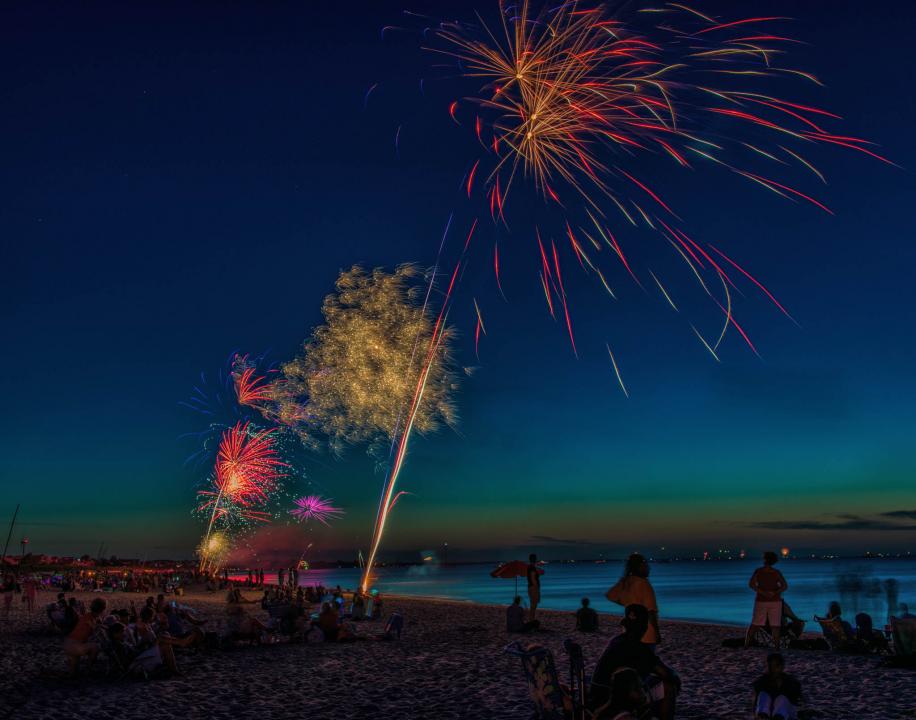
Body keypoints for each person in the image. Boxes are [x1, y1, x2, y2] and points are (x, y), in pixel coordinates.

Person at [589, 604, 679, 720]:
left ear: (625, 626)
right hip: (612, 700)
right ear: (645, 627)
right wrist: (675, 678)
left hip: (597, 695)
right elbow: (666, 674)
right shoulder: (639, 648)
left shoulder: (616, 641)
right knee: (668, 686)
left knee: (650, 682)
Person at [606, 553, 660, 646]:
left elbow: (611, 595)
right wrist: (656, 632)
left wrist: (627, 603)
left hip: (630, 631)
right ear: (639, 567)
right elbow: (651, 611)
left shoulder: (626, 581)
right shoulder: (644, 584)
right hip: (645, 632)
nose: (649, 568)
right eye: (646, 565)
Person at [745, 552, 788, 648]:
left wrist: (762, 592)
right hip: (775, 601)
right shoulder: (776, 572)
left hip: (762, 601)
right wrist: (774, 593)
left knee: (755, 624)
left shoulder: (759, 571)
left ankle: (746, 644)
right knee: (775, 625)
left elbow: (751, 585)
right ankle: (777, 647)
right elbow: (784, 586)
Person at [64, 597, 107, 676]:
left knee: (74, 673)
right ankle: (89, 667)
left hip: (69, 643)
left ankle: (72, 672)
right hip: (74, 645)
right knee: (95, 647)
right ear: (101, 609)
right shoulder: (90, 618)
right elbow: (96, 629)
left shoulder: (88, 616)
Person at [753, 652, 802, 720]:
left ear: (781, 666)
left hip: (785, 712)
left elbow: (797, 701)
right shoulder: (763, 681)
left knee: (781, 698)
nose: (772, 669)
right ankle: (762, 716)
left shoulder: (790, 681)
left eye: (775, 666)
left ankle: (776, 717)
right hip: (770, 711)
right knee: (763, 695)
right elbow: (756, 700)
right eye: (770, 666)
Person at [526, 554, 543, 623]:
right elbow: (533, 579)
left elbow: (533, 577)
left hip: (531, 587)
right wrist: (537, 589)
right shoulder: (532, 568)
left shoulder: (531, 567)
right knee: (533, 606)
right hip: (533, 588)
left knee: (533, 605)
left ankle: (531, 620)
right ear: (535, 559)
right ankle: (531, 620)